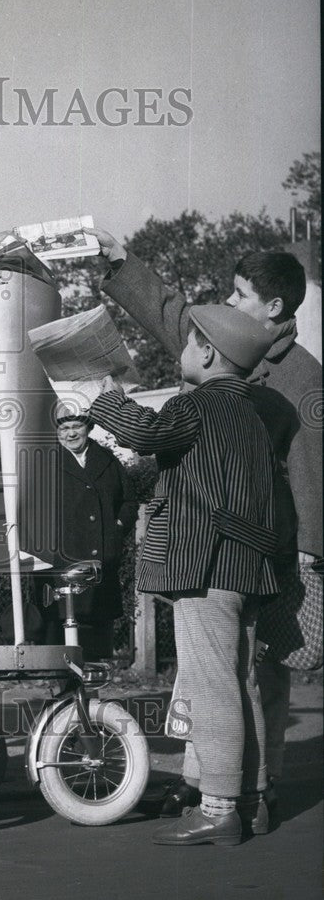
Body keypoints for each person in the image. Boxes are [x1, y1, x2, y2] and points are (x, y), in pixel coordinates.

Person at [89, 227, 323, 811]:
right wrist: (125, 265)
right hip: (242, 543)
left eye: (240, 294)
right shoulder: (225, 351)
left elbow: (311, 469)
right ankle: (214, 781)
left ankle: (251, 788)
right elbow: (174, 317)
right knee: (225, 672)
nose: (230, 302)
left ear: (274, 308)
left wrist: (311, 550)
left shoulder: (302, 376)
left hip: (275, 543)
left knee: (253, 673)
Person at [89, 305, 278, 846]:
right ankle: (251, 800)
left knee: (214, 683)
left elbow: (146, 434)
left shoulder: (195, 405)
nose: (183, 353)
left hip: (205, 563)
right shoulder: (252, 414)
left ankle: (219, 808)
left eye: (189, 344)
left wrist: (107, 400)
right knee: (240, 680)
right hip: (246, 563)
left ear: (210, 354)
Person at [36, 412, 138, 659]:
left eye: (76, 427)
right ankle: (63, 690)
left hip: (101, 557)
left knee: (97, 630)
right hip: (61, 559)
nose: (71, 433)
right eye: (64, 428)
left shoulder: (107, 459)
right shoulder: (46, 462)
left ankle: (93, 689)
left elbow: (128, 500)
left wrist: (117, 526)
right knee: (61, 629)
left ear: (88, 428)